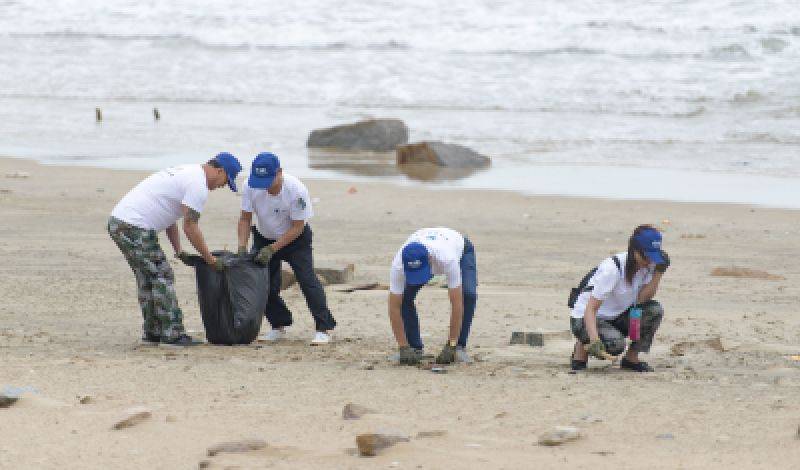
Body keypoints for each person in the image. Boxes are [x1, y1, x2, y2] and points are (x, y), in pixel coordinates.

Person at [107, 152, 242, 346]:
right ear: (220, 171)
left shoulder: (188, 172)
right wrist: (210, 259)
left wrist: (179, 250)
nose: (222, 186)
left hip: (120, 222)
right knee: (162, 275)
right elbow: (190, 226)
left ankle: (153, 333)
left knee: (148, 278)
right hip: (134, 226)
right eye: (226, 181)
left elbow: (170, 219)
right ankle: (173, 334)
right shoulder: (198, 185)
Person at [236, 152, 336, 345]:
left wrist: (273, 249)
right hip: (264, 236)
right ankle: (278, 325)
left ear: (279, 172)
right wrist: (242, 247)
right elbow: (245, 218)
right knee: (262, 283)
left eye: (268, 180)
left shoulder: (296, 190)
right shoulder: (250, 185)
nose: (264, 186)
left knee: (307, 280)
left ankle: (323, 328)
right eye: (260, 181)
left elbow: (298, 227)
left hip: (295, 239)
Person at [569, 225, 669, 372]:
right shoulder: (612, 269)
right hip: (586, 317)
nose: (649, 261)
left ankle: (631, 359)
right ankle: (581, 348)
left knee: (654, 310)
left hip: (616, 315)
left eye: (653, 256)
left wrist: (658, 273)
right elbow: (590, 309)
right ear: (634, 250)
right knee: (615, 345)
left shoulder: (649, 265)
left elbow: (641, 299)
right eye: (646, 256)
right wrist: (595, 341)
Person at [388, 227, 477, 365]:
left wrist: (451, 344)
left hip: (461, 249)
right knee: (404, 297)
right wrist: (402, 346)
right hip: (431, 246)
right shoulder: (398, 264)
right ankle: (413, 348)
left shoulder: (447, 258)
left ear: (429, 259)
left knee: (468, 294)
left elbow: (456, 303)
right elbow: (394, 306)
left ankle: (459, 347)